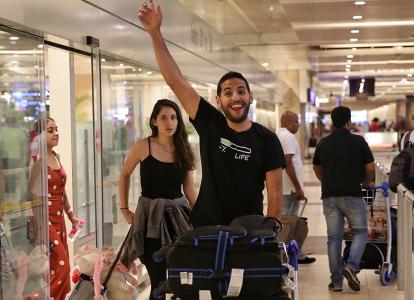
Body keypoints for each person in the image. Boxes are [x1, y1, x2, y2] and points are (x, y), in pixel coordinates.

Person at [138, 1, 285, 227]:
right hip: (207, 230)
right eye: (228, 93)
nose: (235, 97)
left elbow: (275, 195)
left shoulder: (267, 139)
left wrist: (270, 235)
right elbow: (176, 80)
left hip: (249, 230)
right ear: (219, 101)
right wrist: (155, 33)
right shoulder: (211, 124)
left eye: (241, 91)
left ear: (250, 96)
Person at [119, 99, 197, 300]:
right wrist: (124, 209)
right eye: (163, 118)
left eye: (173, 118)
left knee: (181, 274)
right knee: (156, 275)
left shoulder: (183, 148)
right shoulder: (143, 146)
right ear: (154, 121)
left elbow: (188, 188)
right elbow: (124, 174)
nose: (169, 122)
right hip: (149, 219)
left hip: (178, 219)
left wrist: (201, 213)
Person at [313, 106, 375, 292]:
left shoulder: (323, 143)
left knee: (334, 238)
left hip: (330, 195)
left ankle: (337, 282)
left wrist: (327, 181)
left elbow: (316, 167)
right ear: (349, 121)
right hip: (352, 194)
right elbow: (370, 168)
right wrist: (365, 182)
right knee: (361, 231)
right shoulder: (358, 141)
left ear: (332, 121)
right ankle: (351, 266)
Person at [29, 117, 79, 299]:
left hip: (60, 221)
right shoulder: (38, 160)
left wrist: (71, 215)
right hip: (45, 222)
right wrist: (39, 224)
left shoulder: (55, 156)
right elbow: (31, 194)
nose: (56, 133)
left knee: (55, 268)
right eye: (50, 130)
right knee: (63, 266)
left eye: (56, 129)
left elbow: (61, 190)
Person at [276, 111, 316, 264]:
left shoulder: (279, 134)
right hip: (290, 189)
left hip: (286, 188)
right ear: (289, 122)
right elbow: (288, 163)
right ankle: (288, 255)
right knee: (289, 223)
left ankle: (293, 253)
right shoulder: (287, 137)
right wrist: (298, 188)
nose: (299, 124)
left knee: (288, 221)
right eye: (297, 121)